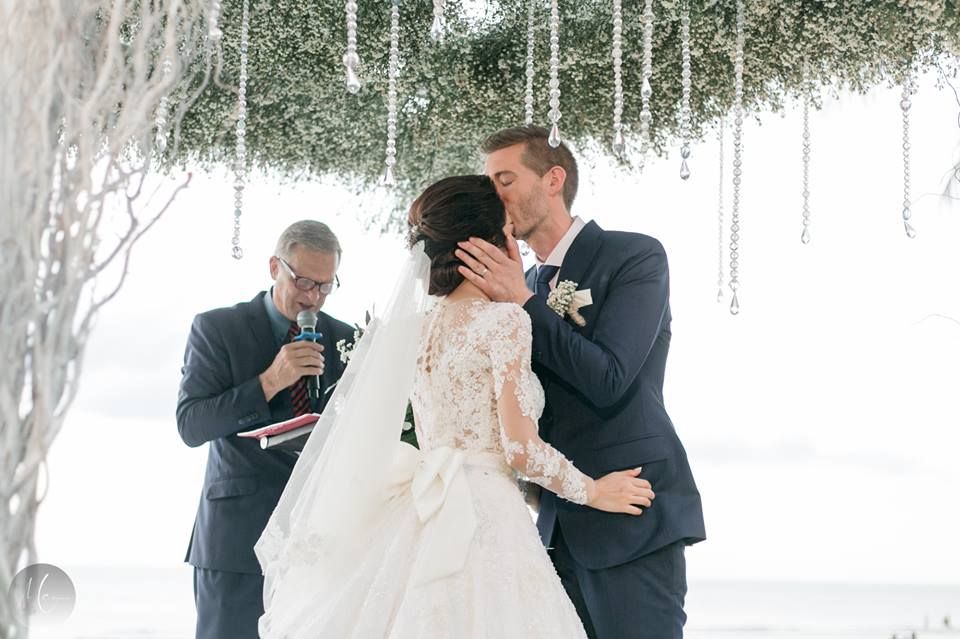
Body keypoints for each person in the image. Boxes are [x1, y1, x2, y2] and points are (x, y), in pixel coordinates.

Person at [254, 175, 656, 638]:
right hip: (484, 514)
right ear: (482, 246)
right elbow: (520, 449)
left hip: (419, 511)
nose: (516, 245)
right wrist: (595, 491)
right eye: (506, 232)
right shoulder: (505, 321)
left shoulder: (414, 329)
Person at [453, 126, 706, 639]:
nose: (494, 195)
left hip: (630, 509)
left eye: (505, 179)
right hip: (551, 525)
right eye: (489, 182)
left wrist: (523, 301)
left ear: (553, 179)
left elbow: (609, 378)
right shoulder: (518, 285)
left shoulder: (633, 257)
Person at [176, 220, 356, 639]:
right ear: (275, 266)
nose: (313, 297)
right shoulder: (217, 328)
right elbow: (191, 424)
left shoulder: (346, 338)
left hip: (319, 543)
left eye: (325, 286)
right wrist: (269, 381)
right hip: (237, 542)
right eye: (304, 282)